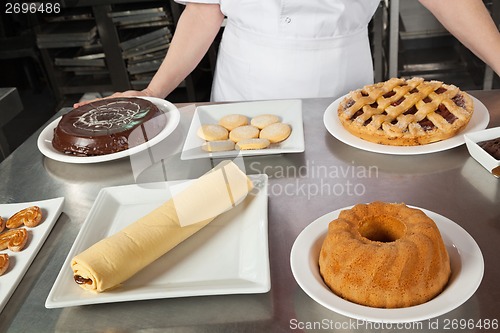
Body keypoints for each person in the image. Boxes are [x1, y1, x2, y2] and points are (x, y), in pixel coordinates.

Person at [75, 0, 500, 106]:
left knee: (343, 204)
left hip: (344, 81)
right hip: (246, 83)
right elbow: (205, 9)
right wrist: (155, 92)